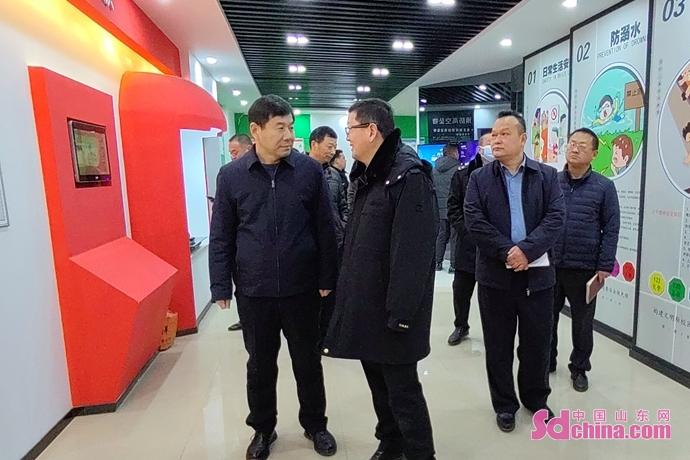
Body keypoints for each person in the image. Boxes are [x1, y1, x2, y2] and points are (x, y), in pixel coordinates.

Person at [209, 95, 338, 460]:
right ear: (256, 130)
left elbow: (325, 228)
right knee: (260, 365)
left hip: (302, 288)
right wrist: (221, 284)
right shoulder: (232, 176)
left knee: (308, 362)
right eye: (280, 127)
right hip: (255, 290)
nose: (288, 135)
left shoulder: (309, 171)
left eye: (290, 127)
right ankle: (263, 429)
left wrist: (327, 277)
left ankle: (315, 424)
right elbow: (222, 234)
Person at [324, 99, 438, 460]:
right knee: (378, 382)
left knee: (402, 389)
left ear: (371, 130)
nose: (347, 138)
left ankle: (421, 453)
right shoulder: (368, 174)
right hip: (367, 301)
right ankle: (391, 442)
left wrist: (401, 314)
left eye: (350, 130)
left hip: (394, 310)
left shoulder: (408, 176)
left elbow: (414, 254)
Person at [464, 110, 565, 433]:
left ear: (523, 139)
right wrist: (508, 251)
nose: (496, 139)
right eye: (494, 134)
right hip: (495, 277)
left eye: (504, 133)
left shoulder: (547, 176)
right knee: (498, 345)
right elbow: (473, 220)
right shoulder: (479, 178)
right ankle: (505, 405)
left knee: (537, 344)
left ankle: (536, 399)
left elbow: (556, 218)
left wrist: (527, 250)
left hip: (538, 278)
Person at [550, 127, 620, 392]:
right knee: (546, 318)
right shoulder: (552, 181)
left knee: (582, 323)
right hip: (551, 264)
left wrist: (604, 265)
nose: (574, 148)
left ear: (594, 153)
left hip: (585, 267)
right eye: (571, 143)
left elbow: (611, 228)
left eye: (581, 145)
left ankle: (579, 368)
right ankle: (547, 360)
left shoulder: (604, 187)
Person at [446, 133, 491, 346]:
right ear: (479, 149)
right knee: (461, 290)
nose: (492, 147)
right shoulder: (462, 175)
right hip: (468, 244)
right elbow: (453, 208)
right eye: (488, 144)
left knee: (491, 295)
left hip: (493, 248)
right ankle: (461, 325)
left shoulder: (504, 175)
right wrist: (467, 232)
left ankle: (493, 330)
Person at [309, 126, 347, 342]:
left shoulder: (334, 175)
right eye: (329, 146)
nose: (332, 151)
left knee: (332, 290)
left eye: (334, 147)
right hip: (311, 246)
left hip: (335, 241)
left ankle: (328, 335)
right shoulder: (299, 173)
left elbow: (343, 205)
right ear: (314, 144)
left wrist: (343, 227)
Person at [226, 133, 253, 332]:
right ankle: (245, 320)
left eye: (235, 152)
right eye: (231, 153)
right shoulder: (229, 175)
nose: (233, 156)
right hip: (240, 254)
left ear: (248, 148)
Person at [433, 144, 459, 273]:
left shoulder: (434, 170)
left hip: (439, 208)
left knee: (441, 235)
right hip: (454, 208)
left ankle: (437, 262)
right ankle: (453, 265)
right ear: (454, 153)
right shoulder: (458, 169)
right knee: (455, 237)